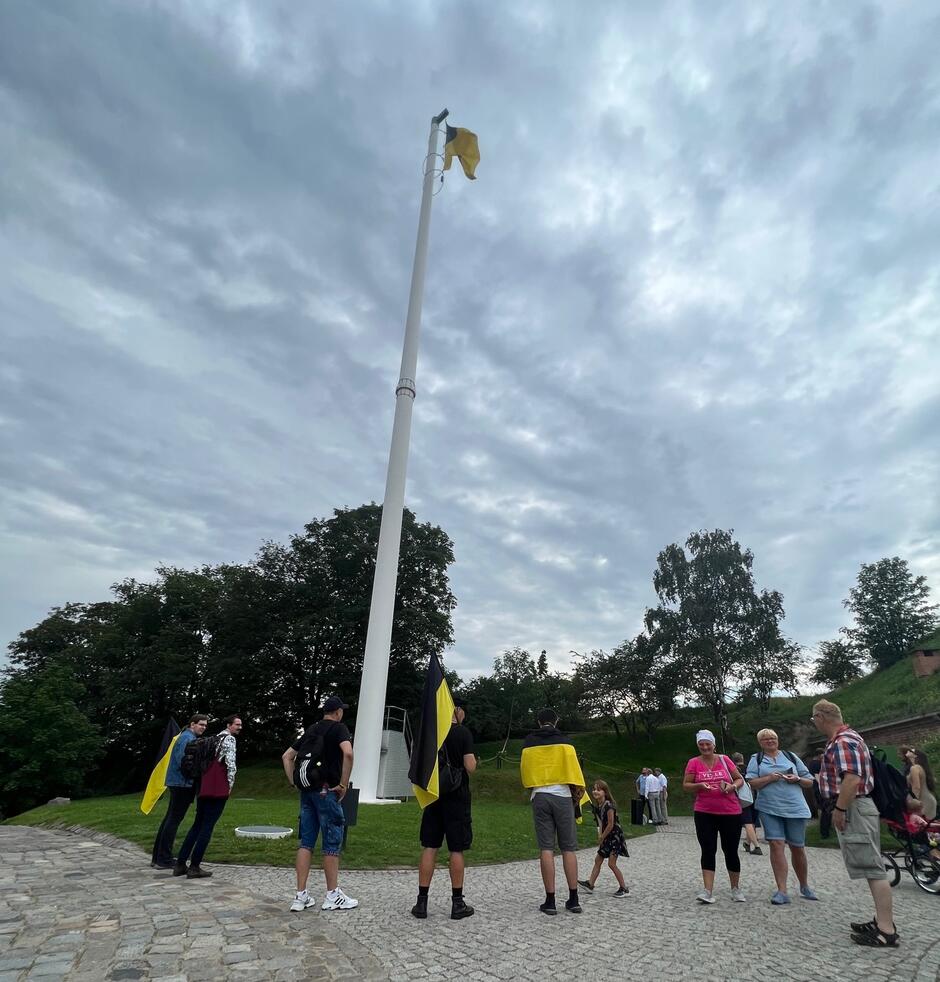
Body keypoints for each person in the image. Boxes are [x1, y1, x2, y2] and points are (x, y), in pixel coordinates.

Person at [812, 699, 896, 948]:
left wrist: (840, 809)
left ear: (821, 717)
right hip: (857, 806)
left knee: (872, 868)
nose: (814, 723)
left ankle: (886, 930)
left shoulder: (843, 741)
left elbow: (851, 779)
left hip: (854, 807)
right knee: (870, 865)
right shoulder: (849, 737)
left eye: (813, 719)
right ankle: (882, 920)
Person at [281, 696, 358, 912]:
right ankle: (333, 895)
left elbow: (287, 756)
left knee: (306, 842)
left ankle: (300, 895)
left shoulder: (312, 729)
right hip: (327, 790)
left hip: (307, 792)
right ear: (337, 712)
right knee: (332, 840)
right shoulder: (339, 728)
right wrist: (343, 783)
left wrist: (294, 783)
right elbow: (348, 753)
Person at [411, 698, 476, 920]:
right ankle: (457, 904)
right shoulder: (462, 733)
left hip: (434, 793)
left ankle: (421, 903)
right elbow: (470, 766)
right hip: (457, 795)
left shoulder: (432, 733)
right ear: (457, 710)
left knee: (430, 846)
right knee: (456, 849)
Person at [520, 708, 587, 915]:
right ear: (556, 721)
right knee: (568, 848)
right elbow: (575, 773)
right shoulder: (566, 742)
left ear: (539, 722)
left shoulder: (529, 742)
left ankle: (550, 901)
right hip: (563, 795)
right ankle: (573, 898)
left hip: (540, 795)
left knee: (546, 848)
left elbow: (525, 772)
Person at [745, 729, 818, 904]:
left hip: (795, 807)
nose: (770, 741)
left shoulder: (791, 756)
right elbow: (752, 783)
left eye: (773, 738)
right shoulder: (757, 759)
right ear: (760, 742)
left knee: (797, 847)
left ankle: (804, 885)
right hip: (769, 808)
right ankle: (782, 890)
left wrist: (797, 779)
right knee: (776, 845)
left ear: (778, 740)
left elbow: (810, 781)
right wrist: (769, 778)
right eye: (765, 739)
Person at [175, 714, 242, 879]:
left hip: (204, 787)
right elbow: (230, 764)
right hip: (218, 789)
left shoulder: (212, 739)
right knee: (207, 826)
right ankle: (195, 866)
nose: (240, 727)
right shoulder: (229, 740)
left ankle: (180, 864)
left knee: (197, 825)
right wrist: (230, 786)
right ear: (229, 725)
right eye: (237, 724)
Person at [683, 729, 745, 904]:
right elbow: (686, 785)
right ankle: (708, 891)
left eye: (707, 743)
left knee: (731, 850)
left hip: (730, 811)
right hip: (704, 811)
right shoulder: (693, 762)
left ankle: (735, 888)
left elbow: (739, 779)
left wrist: (732, 787)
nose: (705, 747)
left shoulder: (725, 759)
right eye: (701, 744)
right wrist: (699, 785)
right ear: (698, 745)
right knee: (708, 849)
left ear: (713, 744)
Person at [151, 714, 208, 869]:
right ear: (192, 724)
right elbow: (184, 762)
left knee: (169, 818)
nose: (203, 727)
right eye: (201, 724)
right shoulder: (187, 739)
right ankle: (164, 859)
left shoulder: (185, 737)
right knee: (173, 820)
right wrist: (195, 776)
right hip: (182, 784)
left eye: (205, 725)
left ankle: (158, 857)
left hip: (178, 783)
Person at [578, 780, 629, 897]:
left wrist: (602, 836)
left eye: (598, 789)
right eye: (594, 789)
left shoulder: (609, 805)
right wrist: (600, 836)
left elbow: (611, 824)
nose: (595, 791)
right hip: (606, 837)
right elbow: (601, 823)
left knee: (612, 864)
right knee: (598, 860)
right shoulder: (599, 806)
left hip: (615, 837)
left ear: (605, 792)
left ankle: (624, 888)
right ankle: (590, 884)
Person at [731, 752, 762, 856]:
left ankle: (757, 846)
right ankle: (747, 844)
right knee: (752, 821)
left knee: (747, 821)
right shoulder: (750, 768)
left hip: (744, 798)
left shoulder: (734, 770)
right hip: (755, 796)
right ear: (742, 758)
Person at [900, 746, 937, 821]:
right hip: (927, 800)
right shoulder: (919, 767)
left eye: (911, 751)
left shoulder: (915, 768)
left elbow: (916, 787)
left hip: (924, 801)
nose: (908, 752)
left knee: (924, 828)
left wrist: (914, 802)